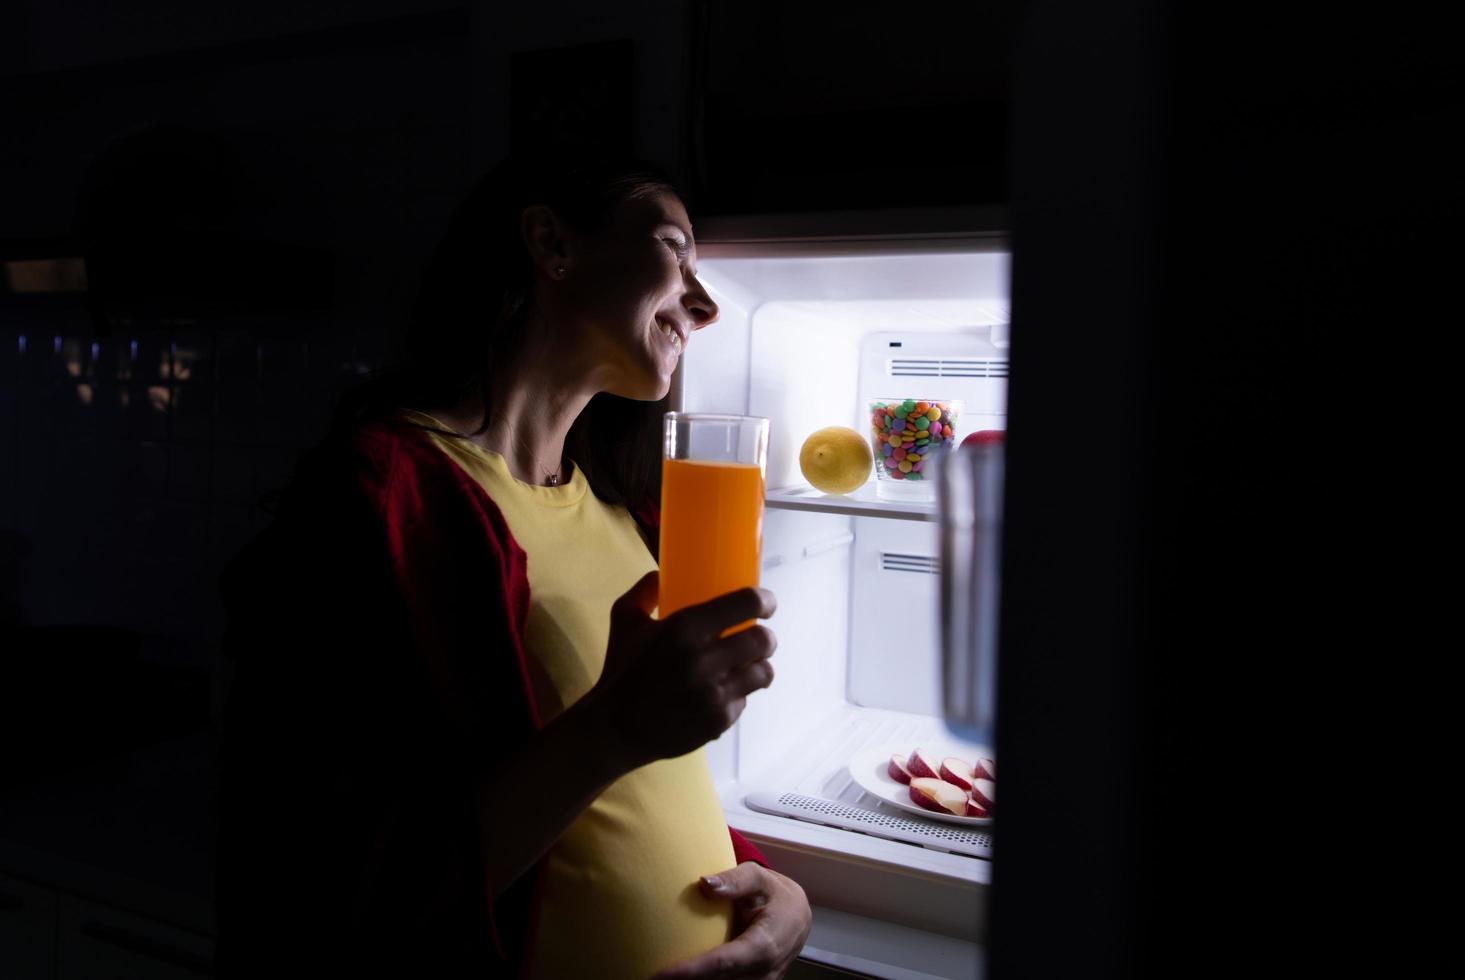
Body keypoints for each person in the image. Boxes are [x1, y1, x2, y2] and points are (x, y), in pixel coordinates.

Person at [214, 153, 812, 979]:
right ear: (549, 243)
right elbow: (334, 878)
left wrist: (769, 885)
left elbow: (629, 797)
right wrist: (616, 725)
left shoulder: (625, 513)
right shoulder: (384, 492)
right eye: (675, 252)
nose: (704, 307)